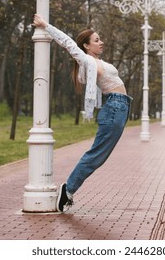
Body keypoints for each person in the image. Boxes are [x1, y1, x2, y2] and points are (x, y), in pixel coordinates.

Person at [32, 14, 132, 212]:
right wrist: (46, 26)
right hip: (114, 109)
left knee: (99, 156)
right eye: (96, 40)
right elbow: (68, 43)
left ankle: (68, 190)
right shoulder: (86, 60)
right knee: (97, 155)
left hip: (119, 108)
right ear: (86, 46)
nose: (101, 42)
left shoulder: (96, 62)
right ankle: (68, 190)